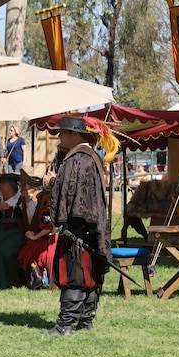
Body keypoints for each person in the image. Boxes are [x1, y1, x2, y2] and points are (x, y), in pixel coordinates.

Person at [45, 115, 118, 335]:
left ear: (75, 134)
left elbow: (66, 194)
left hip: (76, 228)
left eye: (63, 133)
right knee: (90, 274)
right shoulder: (92, 157)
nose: (60, 137)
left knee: (74, 275)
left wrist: (51, 183)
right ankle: (85, 322)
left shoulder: (76, 160)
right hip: (92, 228)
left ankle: (66, 325)